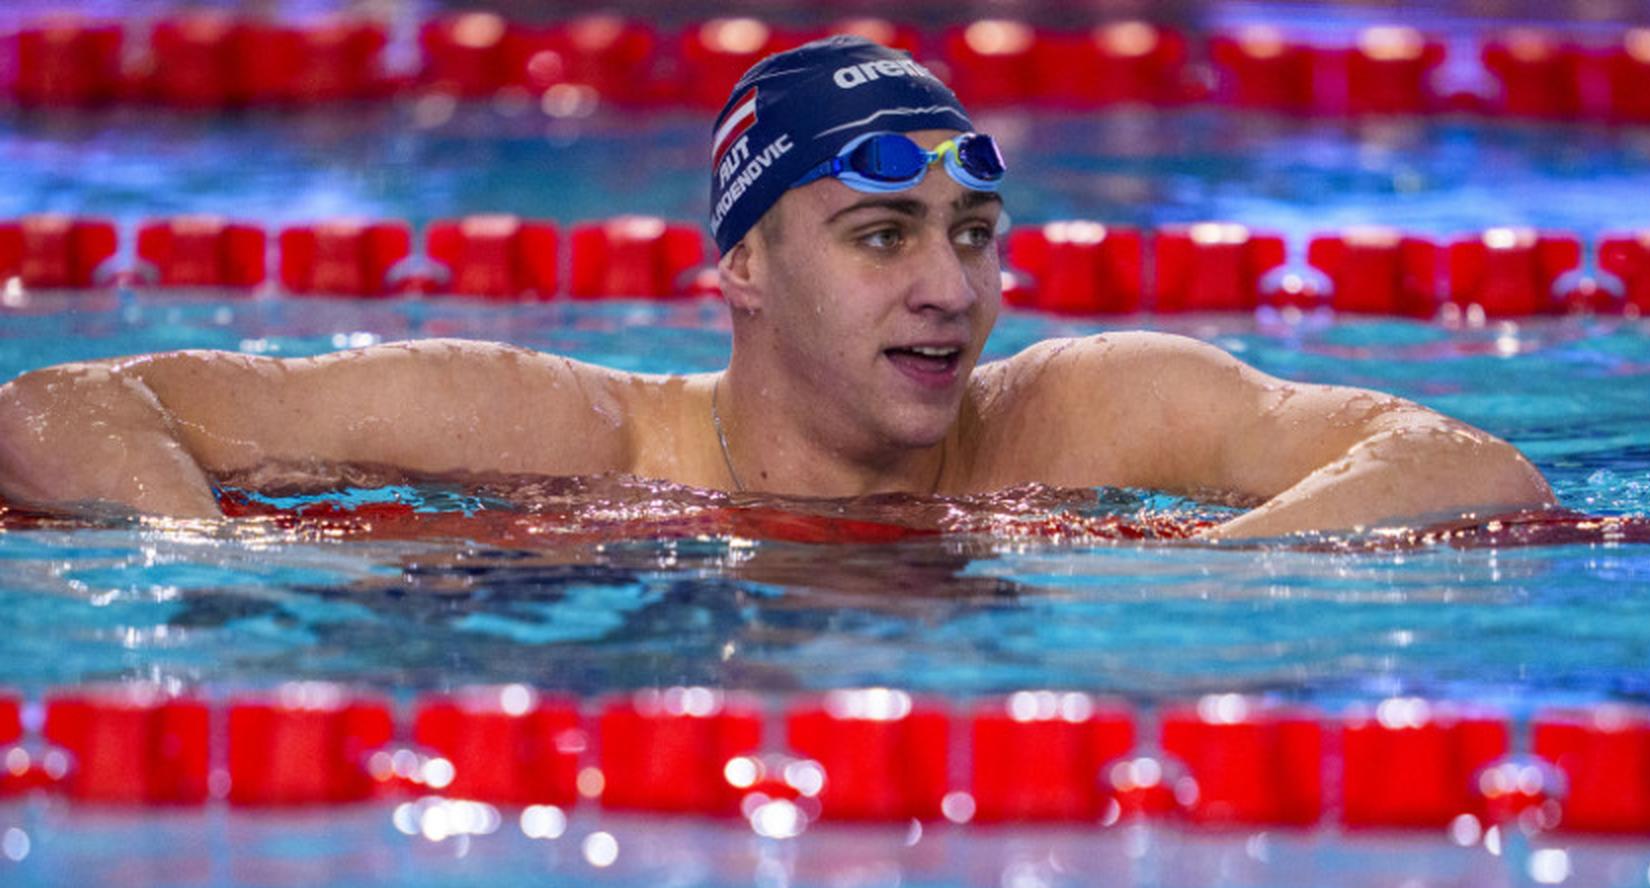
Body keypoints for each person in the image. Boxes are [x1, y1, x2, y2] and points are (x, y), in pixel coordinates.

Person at [0, 36, 1554, 539]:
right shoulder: (568, 431)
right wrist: (221, 573)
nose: (951, 284)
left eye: (975, 231)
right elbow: (67, 400)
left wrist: (1200, 582)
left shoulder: (1082, 409)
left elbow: (1468, 466)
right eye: (884, 235)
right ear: (740, 265)